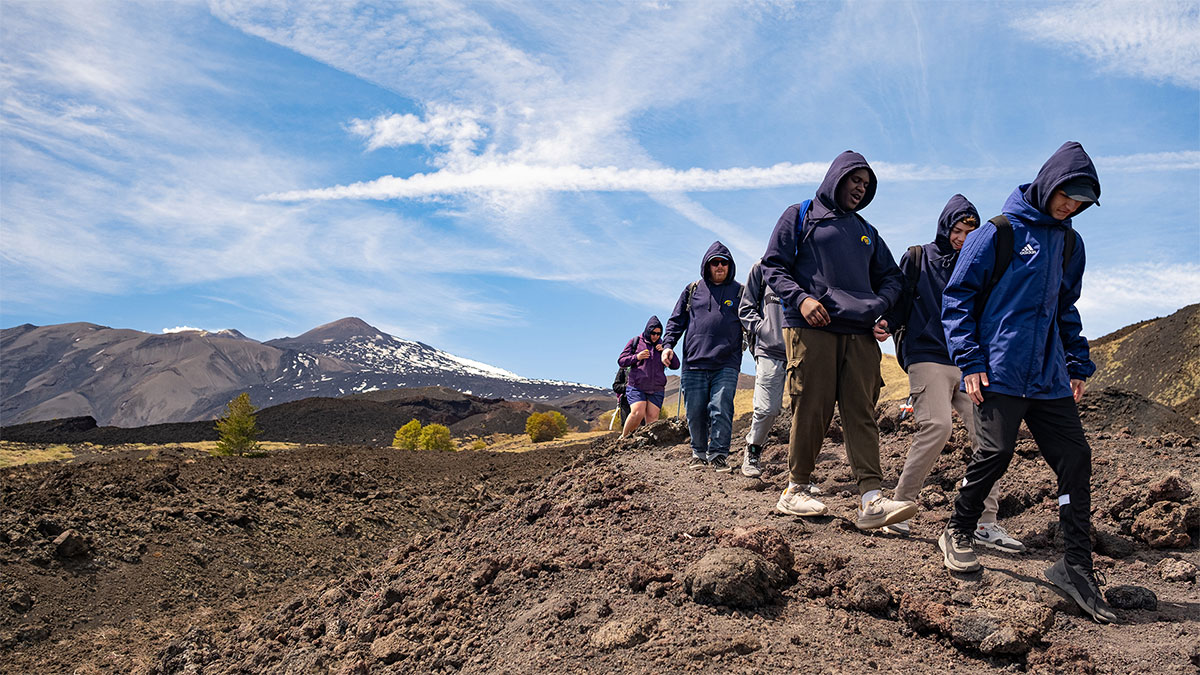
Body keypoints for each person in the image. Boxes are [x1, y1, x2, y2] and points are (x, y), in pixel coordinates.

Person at [937, 141, 1114, 623]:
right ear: (1047, 182)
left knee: (1075, 458)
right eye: (1065, 196)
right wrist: (971, 361)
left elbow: (1065, 308)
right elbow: (958, 300)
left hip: (1049, 375)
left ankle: (1075, 564)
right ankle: (958, 528)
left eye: (1080, 203)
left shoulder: (1070, 242)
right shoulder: (998, 232)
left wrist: (1076, 364)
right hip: (1000, 368)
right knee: (994, 453)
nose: (1069, 207)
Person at [760, 150, 916, 529]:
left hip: (860, 334)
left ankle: (871, 501)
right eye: (854, 181)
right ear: (836, 178)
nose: (860, 189)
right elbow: (772, 266)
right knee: (812, 408)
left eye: (866, 185)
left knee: (862, 412)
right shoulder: (800, 215)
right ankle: (796, 489)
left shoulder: (866, 231)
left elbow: (894, 278)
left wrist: (880, 310)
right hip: (811, 326)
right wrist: (802, 298)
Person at [877, 195, 1022, 551]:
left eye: (970, 231)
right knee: (938, 426)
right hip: (927, 355)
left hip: (968, 361)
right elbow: (901, 299)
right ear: (945, 227)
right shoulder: (919, 257)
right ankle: (900, 508)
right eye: (957, 229)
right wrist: (886, 323)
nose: (962, 237)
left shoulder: (979, 263)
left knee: (988, 437)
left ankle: (985, 523)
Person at [661, 242, 744, 473]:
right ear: (706, 266)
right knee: (695, 410)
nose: (719, 266)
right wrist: (668, 346)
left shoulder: (740, 292)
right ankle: (698, 453)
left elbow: (751, 321)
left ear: (730, 266)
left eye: (724, 262)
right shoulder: (692, 290)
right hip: (694, 362)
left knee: (721, 407)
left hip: (726, 361)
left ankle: (718, 454)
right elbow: (676, 321)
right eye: (714, 262)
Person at [737, 259, 789, 479]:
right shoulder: (762, 268)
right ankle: (753, 449)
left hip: (805, 351)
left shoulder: (810, 266)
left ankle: (802, 471)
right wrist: (764, 329)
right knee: (767, 409)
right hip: (770, 349)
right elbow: (745, 308)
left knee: (806, 412)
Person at [616, 316, 679, 438]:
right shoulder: (635, 342)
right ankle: (623, 439)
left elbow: (676, 365)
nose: (655, 336)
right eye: (653, 333)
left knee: (653, 418)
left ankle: (648, 445)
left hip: (657, 388)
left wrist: (665, 350)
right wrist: (636, 357)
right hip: (637, 386)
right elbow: (621, 361)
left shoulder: (663, 345)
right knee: (637, 413)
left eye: (658, 334)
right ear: (647, 331)